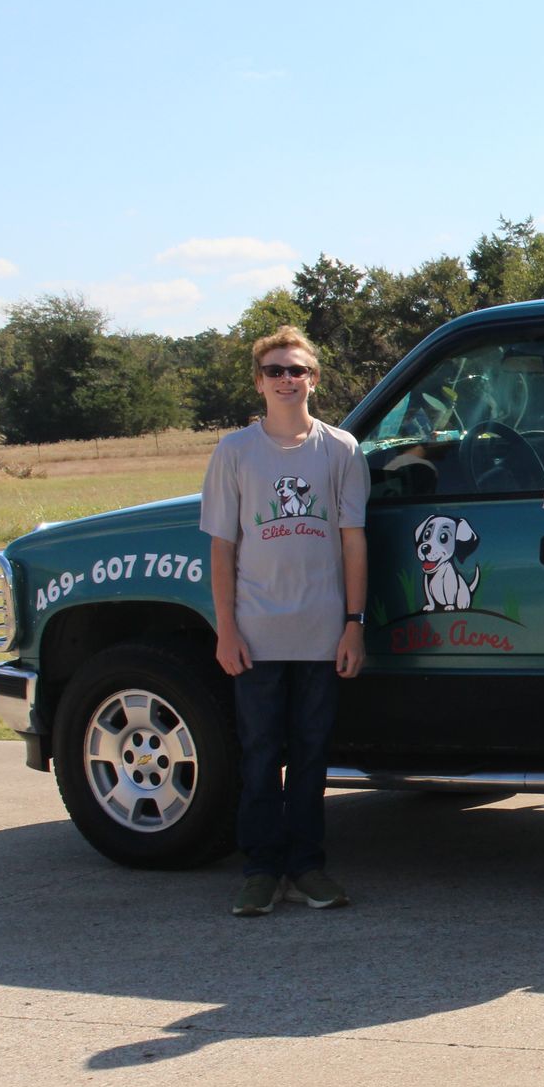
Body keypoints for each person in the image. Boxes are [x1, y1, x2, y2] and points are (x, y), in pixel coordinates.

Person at [201, 325, 369, 917]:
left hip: (323, 632)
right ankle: (260, 870)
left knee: (311, 755)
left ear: (313, 379)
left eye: (297, 370)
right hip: (256, 634)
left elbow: (353, 543)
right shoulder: (234, 453)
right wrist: (226, 627)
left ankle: (307, 867)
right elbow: (222, 548)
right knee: (257, 755)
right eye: (275, 370)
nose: (286, 379)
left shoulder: (342, 450)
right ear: (259, 382)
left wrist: (354, 623)